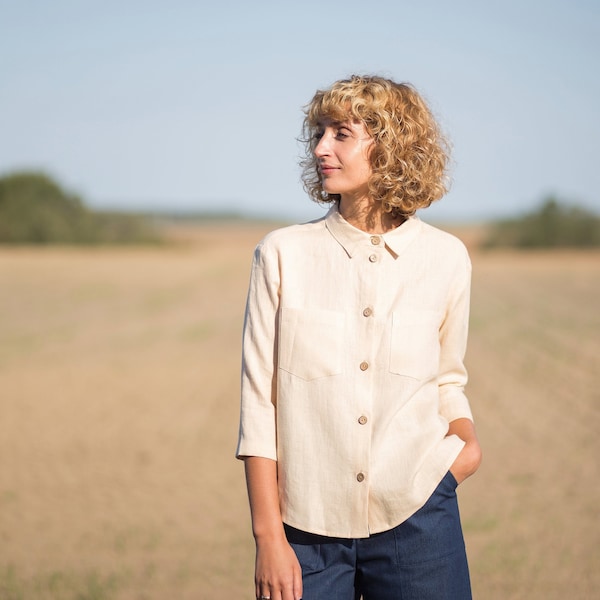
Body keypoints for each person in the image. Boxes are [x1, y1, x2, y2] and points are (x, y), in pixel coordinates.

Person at [236, 74, 482, 600]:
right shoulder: (281, 254)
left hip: (420, 520)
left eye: (340, 133)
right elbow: (260, 405)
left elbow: (448, 378)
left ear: (390, 146)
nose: (322, 148)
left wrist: (466, 451)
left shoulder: (446, 258)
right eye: (319, 133)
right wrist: (269, 537)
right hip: (304, 534)